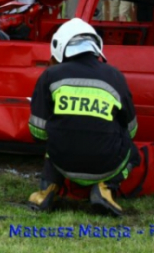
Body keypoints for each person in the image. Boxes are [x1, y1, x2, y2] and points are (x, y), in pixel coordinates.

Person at [28, 18, 139, 216]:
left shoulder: (49, 76)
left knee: (53, 137)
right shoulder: (115, 76)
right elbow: (131, 129)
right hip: (106, 165)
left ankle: (47, 188)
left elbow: (38, 132)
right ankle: (105, 187)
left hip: (62, 162)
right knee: (133, 151)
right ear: (96, 46)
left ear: (59, 47)